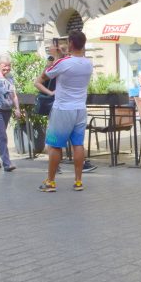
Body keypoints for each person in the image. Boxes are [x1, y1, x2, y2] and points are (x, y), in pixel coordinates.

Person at [34, 30, 93, 192]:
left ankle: (50, 181)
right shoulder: (88, 63)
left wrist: (54, 58)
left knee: (54, 146)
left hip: (62, 109)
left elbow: (42, 78)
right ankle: (78, 181)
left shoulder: (63, 63)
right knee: (78, 144)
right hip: (80, 109)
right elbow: (73, 61)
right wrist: (63, 54)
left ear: (71, 44)